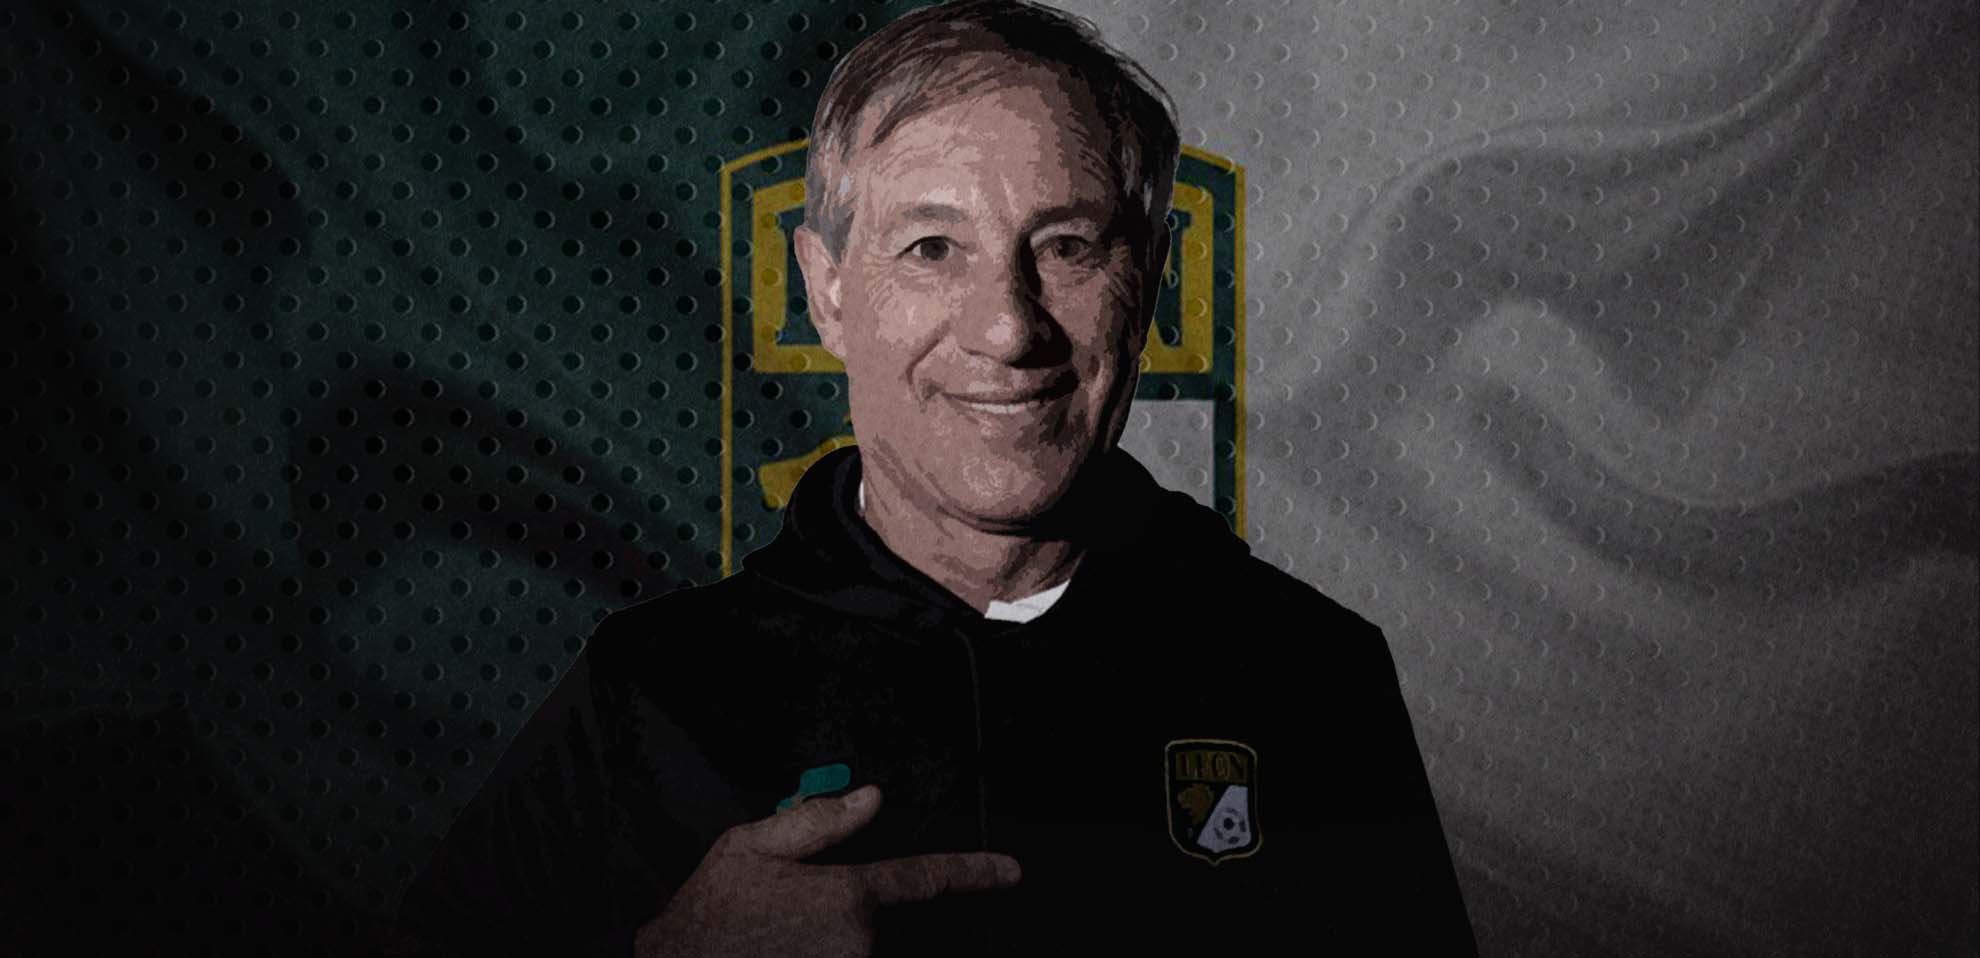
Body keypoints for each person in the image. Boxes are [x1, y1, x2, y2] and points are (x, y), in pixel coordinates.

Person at [393, 1, 1477, 954]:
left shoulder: (1309, 677)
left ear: (1145, 283)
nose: (1008, 328)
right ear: (826, 292)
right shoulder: (649, 694)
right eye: (931, 249)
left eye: (1066, 247)